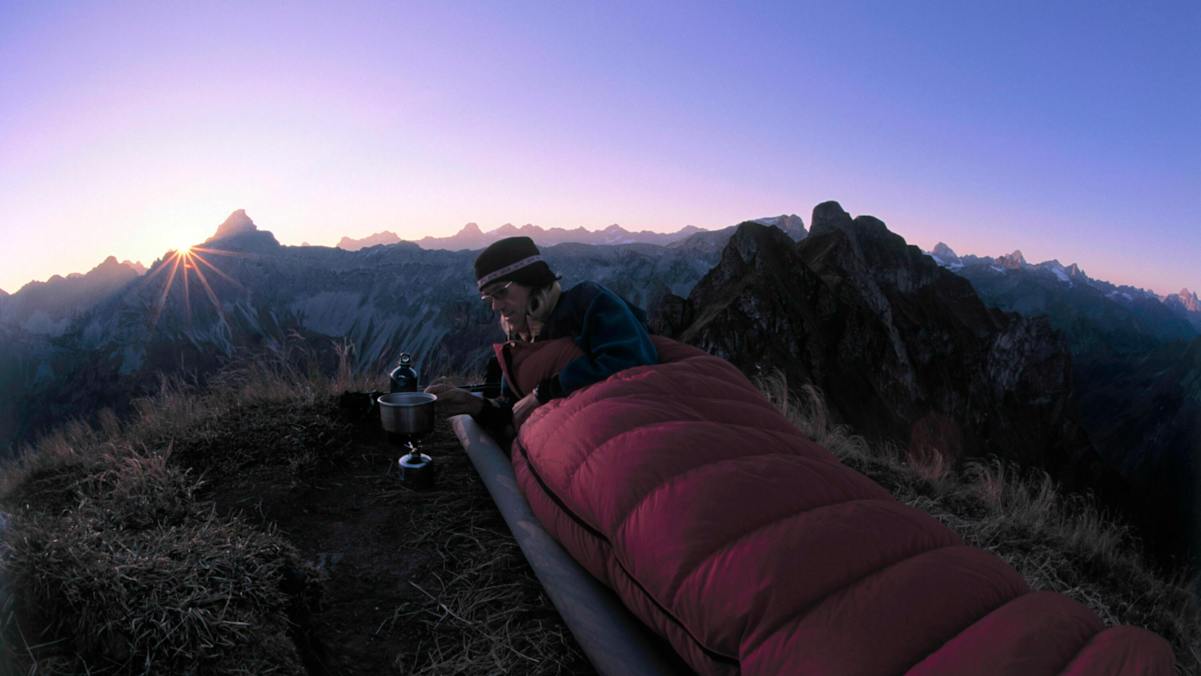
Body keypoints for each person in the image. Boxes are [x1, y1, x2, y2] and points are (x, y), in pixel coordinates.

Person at [426, 236, 657, 440]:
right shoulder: (518, 342)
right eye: (489, 299)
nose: (495, 306)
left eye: (501, 292)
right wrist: (475, 404)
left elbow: (633, 359)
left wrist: (544, 392)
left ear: (531, 281)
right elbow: (515, 412)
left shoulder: (586, 301)